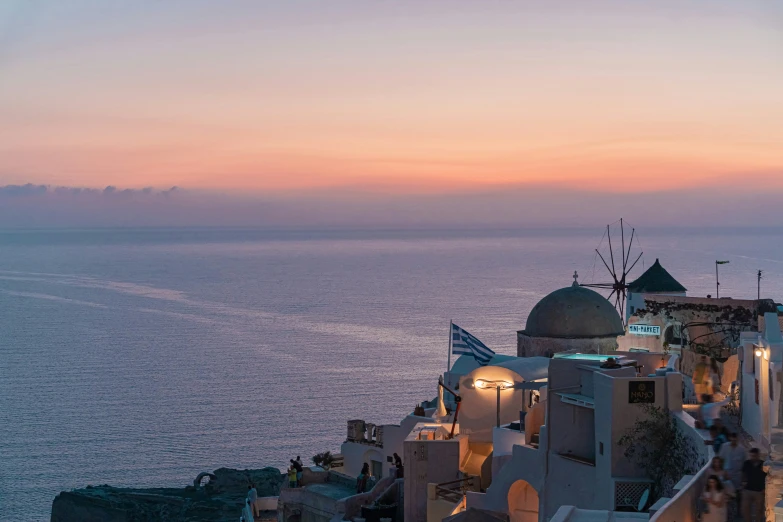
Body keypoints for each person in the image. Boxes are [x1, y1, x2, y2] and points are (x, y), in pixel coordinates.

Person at [719, 433, 747, 508]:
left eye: (735, 439)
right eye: (732, 439)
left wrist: (744, 478)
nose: (733, 441)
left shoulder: (742, 450)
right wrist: (723, 472)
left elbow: (744, 463)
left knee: (738, 493)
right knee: (726, 493)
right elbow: (720, 460)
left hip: (737, 475)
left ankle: (738, 510)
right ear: (730, 438)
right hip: (726, 474)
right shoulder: (724, 447)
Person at [742, 448, 768, 522]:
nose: (753, 458)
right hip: (747, 489)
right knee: (745, 509)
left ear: (758, 455)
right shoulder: (747, 463)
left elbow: (767, 476)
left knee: (759, 510)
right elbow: (743, 473)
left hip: (759, 490)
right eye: (751, 456)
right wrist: (742, 483)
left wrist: (764, 488)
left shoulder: (763, 464)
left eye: (754, 456)